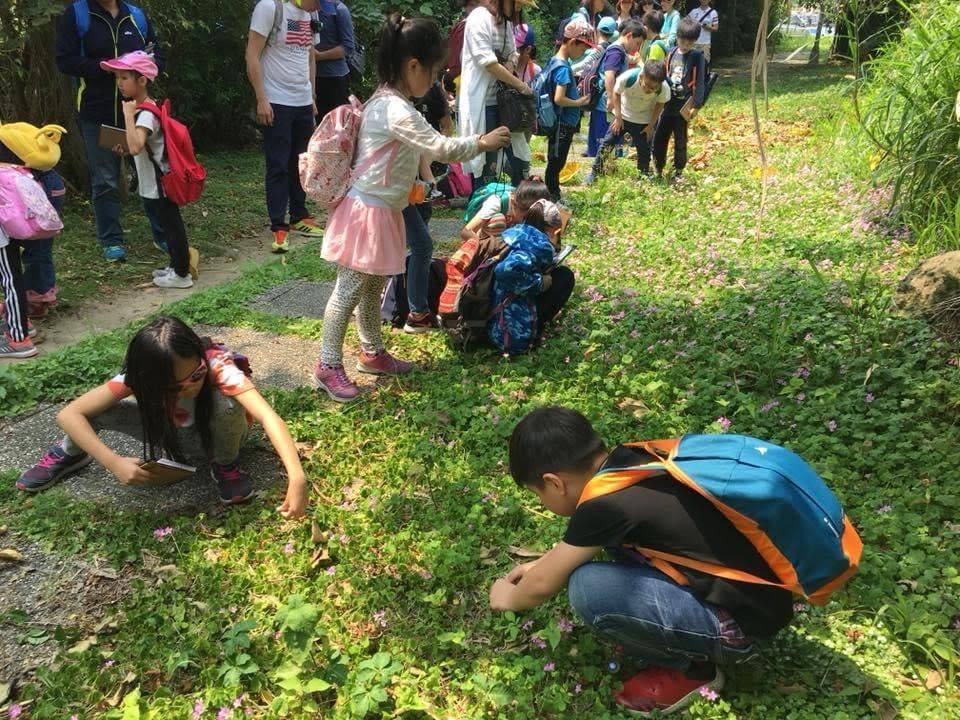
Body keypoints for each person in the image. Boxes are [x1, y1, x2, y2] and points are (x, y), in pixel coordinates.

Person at [489, 406, 794, 716]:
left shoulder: (605, 506)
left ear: (555, 482)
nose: (542, 502)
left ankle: (692, 670)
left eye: (536, 493)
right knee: (602, 550)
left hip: (742, 630)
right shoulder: (631, 465)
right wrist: (545, 564)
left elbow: (540, 587)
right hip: (762, 600)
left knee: (588, 588)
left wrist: (508, 597)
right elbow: (578, 546)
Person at [313, 14, 510, 402]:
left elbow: (410, 155)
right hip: (365, 213)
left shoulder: (392, 103)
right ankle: (327, 365)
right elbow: (439, 146)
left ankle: (372, 352)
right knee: (348, 290)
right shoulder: (393, 109)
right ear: (413, 66)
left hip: (381, 210)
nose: (435, 83)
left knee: (371, 289)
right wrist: (482, 142)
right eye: (434, 74)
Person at [17, 316, 309, 518]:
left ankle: (225, 466)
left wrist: (296, 478)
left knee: (226, 405)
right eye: (175, 386)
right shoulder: (138, 377)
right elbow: (69, 414)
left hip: (216, 438)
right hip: (169, 436)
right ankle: (71, 453)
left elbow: (270, 418)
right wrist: (113, 462)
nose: (191, 385)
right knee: (97, 409)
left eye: (196, 375)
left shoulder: (217, 366)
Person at [54, 0, 168, 263]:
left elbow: (156, 55)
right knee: (105, 179)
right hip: (99, 113)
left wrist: (146, 68)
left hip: (138, 114)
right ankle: (111, 241)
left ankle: (163, 234)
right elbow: (64, 60)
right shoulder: (78, 14)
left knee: (150, 173)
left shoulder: (136, 16)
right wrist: (101, 67)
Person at [101, 52, 195, 289]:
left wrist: (127, 116)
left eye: (124, 78)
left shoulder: (144, 114)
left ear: (142, 80)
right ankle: (175, 266)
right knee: (166, 224)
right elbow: (135, 147)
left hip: (160, 182)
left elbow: (135, 146)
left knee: (171, 227)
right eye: (117, 78)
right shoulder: (145, 110)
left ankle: (182, 273)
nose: (120, 83)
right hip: (152, 182)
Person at [246, 0, 326, 254]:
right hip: (276, 100)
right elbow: (251, 54)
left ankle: (299, 216)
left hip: (302, 100)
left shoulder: (311, 13)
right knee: (278, 164)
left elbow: (311, 56)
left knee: (302, 163)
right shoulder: (270, 7)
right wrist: (261, 98)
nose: (320, 7)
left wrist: (312, 96)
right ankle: (278, 224)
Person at [458, 0, 533, 188]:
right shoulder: (478, 19)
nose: (519, 9)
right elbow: (488, 63)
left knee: (521, 163)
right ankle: (479, 212)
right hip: (484, 106)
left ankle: (515, 208)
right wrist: (521, 86)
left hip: (506, 104)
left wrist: (509, 65)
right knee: (486, 168)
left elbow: (513, 53)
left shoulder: (505, 23)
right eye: (518, 4)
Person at [0, 121, 67, 330]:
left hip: (35, 193)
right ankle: (39, 294)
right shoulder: (16, 134)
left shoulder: (8, 140)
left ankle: (36, 299)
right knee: (40, 247)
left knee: (33, 251)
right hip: (51, 186)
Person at [487, 200, 575, 354]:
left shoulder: (519, 235)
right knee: (564, 277)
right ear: (555, 231)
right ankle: (535, 330)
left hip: (495, 313)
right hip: (509, 329)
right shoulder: (535, 247)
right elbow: (503, 271)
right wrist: (540, 282)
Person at [403, 81, 454, 334]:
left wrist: (430, 166)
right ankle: (416, 311)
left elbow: (446, 126)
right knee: (420, 245)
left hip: (420, 182)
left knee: (418, 242)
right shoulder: (396, 100)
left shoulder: (431, 91)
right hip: (398, 186)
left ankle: (411, 303)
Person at [587, 58, 667, 183]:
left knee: (644, 150)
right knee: (607, 143)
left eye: (653, 88)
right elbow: (616, 93)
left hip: (644, 120)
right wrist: (618, 117)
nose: (649, 90)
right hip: (623, 116)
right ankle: (594, 172)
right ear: (641, 76)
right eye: (647, 86)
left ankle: (643, 177)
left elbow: (660, 104)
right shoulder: (628, 77)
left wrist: (651, 125)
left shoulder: (664, 88)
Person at [543, 20, 595, 202]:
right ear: (573, 43)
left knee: (555, 160)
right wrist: (579, 101)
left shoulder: (554, 61)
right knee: (556, 162)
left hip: (559, 123)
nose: (582, 53)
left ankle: (552, 194)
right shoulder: (564, 68)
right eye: (582, 49)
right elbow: (559, 98)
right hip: (563, 124)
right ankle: (553, 196)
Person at [652, 17, 706, 182]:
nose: (686, 45)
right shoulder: (672, 52)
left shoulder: (697, 56)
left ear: (695, 41)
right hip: (667, 104)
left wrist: (696, 105)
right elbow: (665, 75)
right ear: (678, 37)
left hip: (684, 107)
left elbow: (701, 81)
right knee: (660, 137)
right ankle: (658, 168)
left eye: (690, 42)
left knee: (680, 140)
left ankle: (679, 172)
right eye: (683, 40)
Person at [585, 18, 643, 170]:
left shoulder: (617, 49)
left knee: (611, 137)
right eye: (637, 43)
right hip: (607, 104)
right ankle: (601, 170)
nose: (637, 47)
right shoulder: (616, 51)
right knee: (606, 138)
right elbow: (609, 74)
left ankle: (607, 168)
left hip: (609, 102)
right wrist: (611, 98)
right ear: (629, 35)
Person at [460, 177, 552, 242]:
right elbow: (466, 232)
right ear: (513, 202)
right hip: (483, 236)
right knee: (498, 221)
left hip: (507, 235)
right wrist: (486, 247)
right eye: (524, 217)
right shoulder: (496, 202)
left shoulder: (533, 205)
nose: (526, 221)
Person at [584, 16, 623, 158]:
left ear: (597, 31)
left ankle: (595, 157)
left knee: (596, 130)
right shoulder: (615, 50)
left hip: (597, 97)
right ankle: (608, 161)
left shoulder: (593, 51)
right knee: (609, 131)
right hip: (608, 98)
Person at [312, 0, 356, 122]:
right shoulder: (306, 8)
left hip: (334, 79)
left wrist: (320, 56)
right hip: (308, 78)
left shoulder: (339, 9)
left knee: (336, 125)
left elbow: (348, 47)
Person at [514, 23, 540, 87]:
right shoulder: (502, 67)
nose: (511, 51)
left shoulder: (535, 71)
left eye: (515, 48)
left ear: (528, 49)